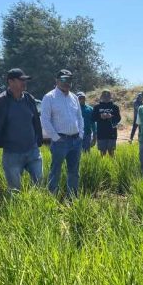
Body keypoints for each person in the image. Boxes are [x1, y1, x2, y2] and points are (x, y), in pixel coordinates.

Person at [0, 68, 44, 192]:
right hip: (12, 153)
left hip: (32, 151)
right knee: (14, 190)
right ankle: (17, 210)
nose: (25, 83)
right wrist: (3, 142)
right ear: (11, 82)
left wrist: (36, 141)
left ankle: (36, 209)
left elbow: (35, 121)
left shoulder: (29, 99)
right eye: (21, 80)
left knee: (39, 183)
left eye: (25, 80)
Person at [40, 69, 84, 197]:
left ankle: (73, 198)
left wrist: (80, 134)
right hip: (60, 141)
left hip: (76, 140)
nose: (67, 83)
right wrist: (56, 137)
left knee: (74, 171)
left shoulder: (74, 97)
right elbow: (45, 119)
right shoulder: (49, 97)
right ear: (57, 81)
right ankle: (52, 198)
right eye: (64, 79)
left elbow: (80, 118)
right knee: (55, 171)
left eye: (69, 80)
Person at [92, 90, 121, 157]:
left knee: (112, 153)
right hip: (101, 133)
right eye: (104, 96)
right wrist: (100, 116)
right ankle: (103, 166)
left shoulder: (115, 107)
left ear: (110, 96)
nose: (106, 97)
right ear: (101, 97)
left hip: (112, 133)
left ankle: (112, 166)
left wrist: (111, 116)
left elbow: (118, 119)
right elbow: (93, 118)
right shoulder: (96, 107)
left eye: (108, 96)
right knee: (102, 154)